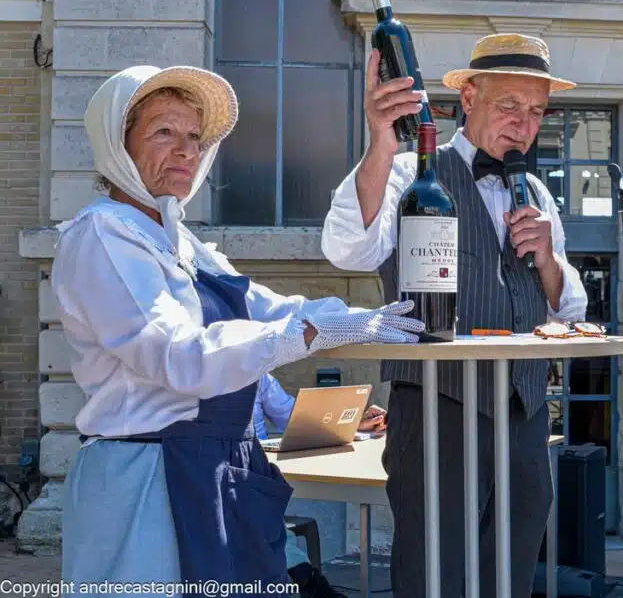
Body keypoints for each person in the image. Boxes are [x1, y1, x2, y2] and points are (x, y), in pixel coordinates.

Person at [56, 65, 425, 598]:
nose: (186, 150)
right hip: (149, 482)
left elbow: (274, 308)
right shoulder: (102, 234)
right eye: (164, 132)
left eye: (195, 137)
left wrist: (376, 318)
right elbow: (177, 356)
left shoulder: (183, 241)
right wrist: (316, 331)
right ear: (117, 143)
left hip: (215, 471)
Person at [321, 33, 589, 596]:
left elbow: (570, 310)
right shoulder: (408, 175)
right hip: (439, 407)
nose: (523, 123)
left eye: (537, 111)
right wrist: (378, 141)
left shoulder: (537, 191)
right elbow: (347, 248)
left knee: (510, 574)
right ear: (468, 99)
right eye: (509, 105)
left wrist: (547, 259)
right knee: (435, 572)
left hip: (524, 414)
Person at [251, 373, 387, 598]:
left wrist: (355, 423)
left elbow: (298, 420)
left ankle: (307, 582)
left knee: (266, 522)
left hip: (262, 482)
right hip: (236, 485)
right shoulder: (198, 376)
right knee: (263, 523)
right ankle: (309, 583)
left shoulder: (259, 375)